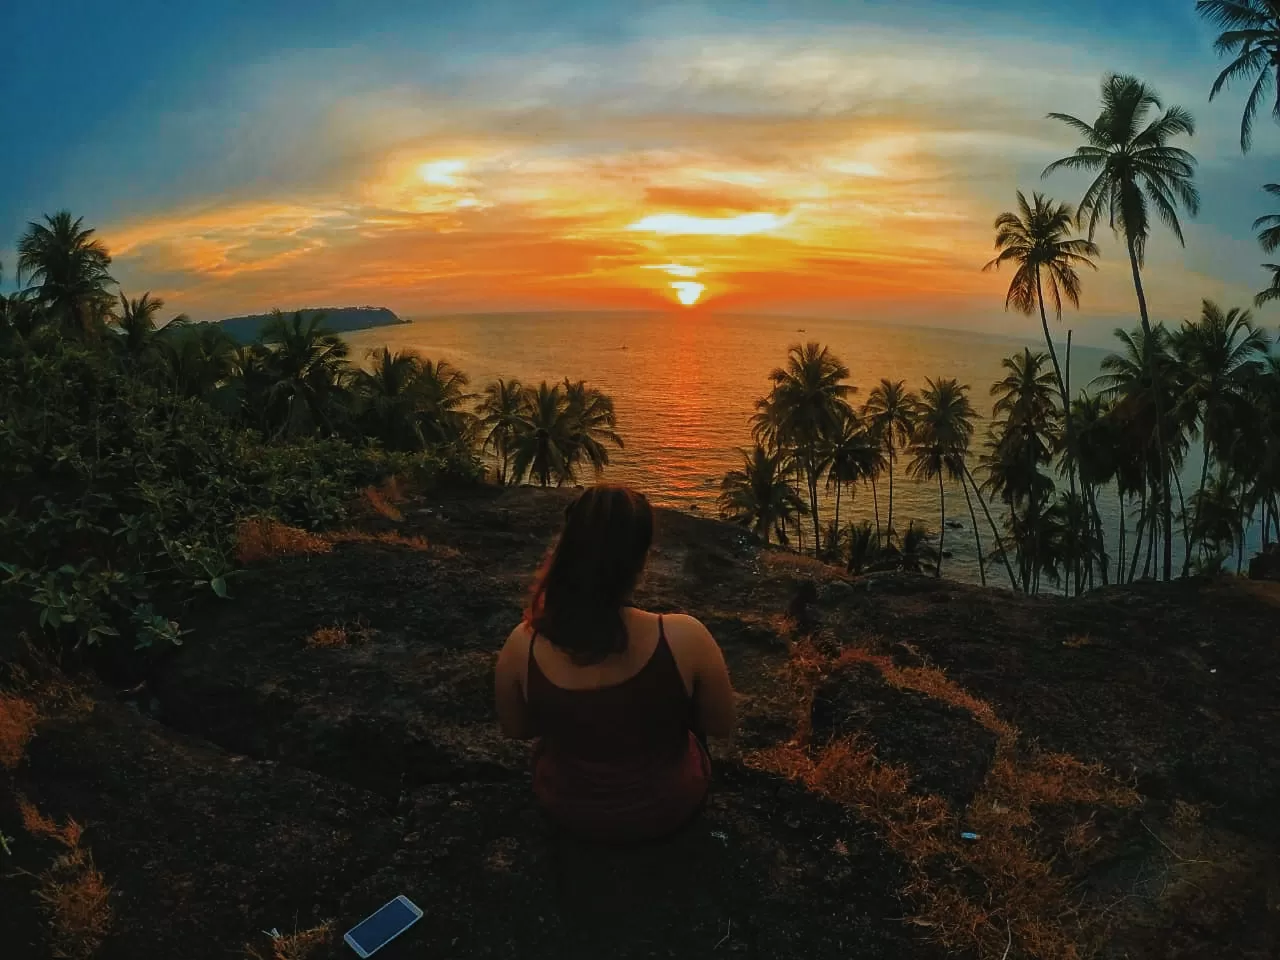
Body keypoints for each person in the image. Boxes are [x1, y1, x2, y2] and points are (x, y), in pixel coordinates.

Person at [495, 485, 736, 844]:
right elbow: (720, 724)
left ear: (568, 550)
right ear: (640, 560)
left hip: (567, 810)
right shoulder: (685, 638)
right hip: (668, 808)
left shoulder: (522, 645)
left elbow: (516, 728)